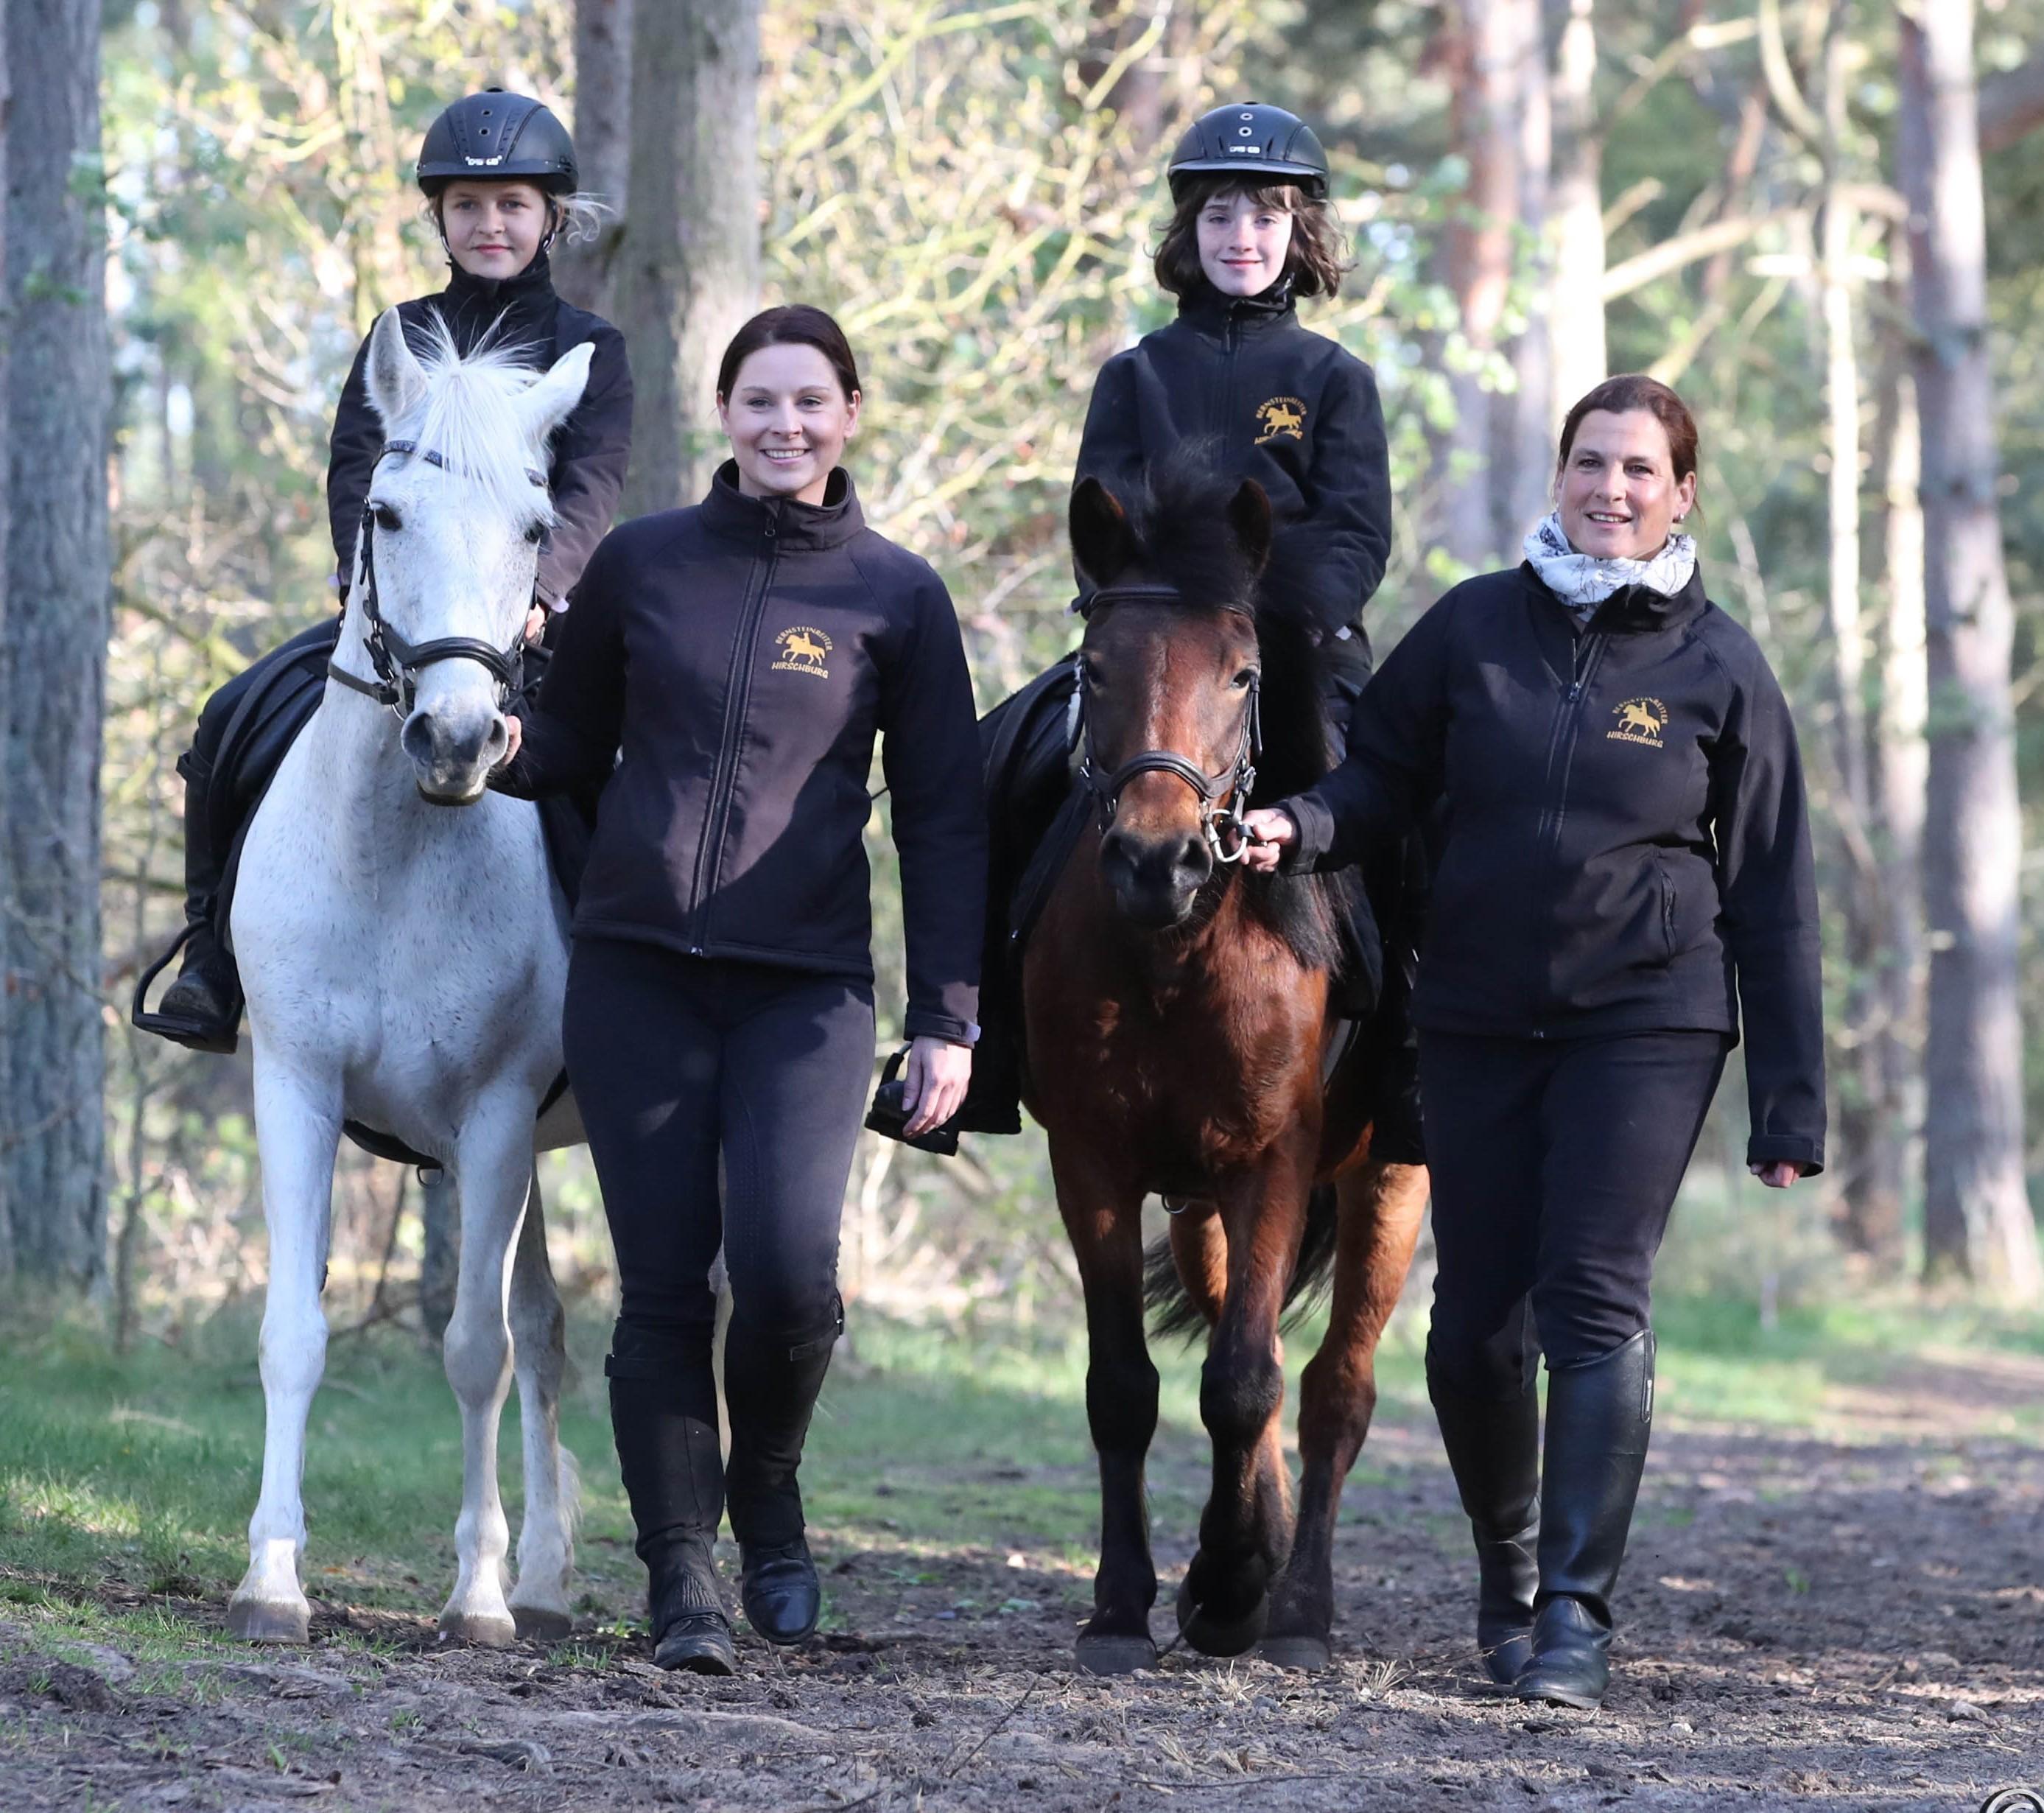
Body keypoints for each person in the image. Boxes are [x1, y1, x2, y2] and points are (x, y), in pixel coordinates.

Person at [1239, 374, 1825, 1711]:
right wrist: (1298, 826)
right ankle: (1508, 1574)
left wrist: (1789, 1102)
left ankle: (1572, 1616)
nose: (1610, 488)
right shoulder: (1472, 630)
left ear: (1682, 493)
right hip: (1481, 1019)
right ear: (1556, 477)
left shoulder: (1719, 663)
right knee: (1468, 1339)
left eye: (1638, 469)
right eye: (1589, 464)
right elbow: (1377, 774)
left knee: (1594, 1305)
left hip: (1650, 1020)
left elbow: (1776, 887)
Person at [491, 306, 986, 1674]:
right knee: (661, 1289)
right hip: (639, 974)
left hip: (806, 990)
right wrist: (502, 741)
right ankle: (681, 1579)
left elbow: (946, 817)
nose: (785, 426)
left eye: (809, 403)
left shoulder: (898, 595)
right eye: (761, 402)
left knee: (784, 1280)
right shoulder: (644, 564)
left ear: (850, 414)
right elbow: (575, 740)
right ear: (725, 413)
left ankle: (768, 1488)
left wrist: (950, 1016)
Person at [967, 102, 1422, 1157]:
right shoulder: (1136, 374)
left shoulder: (1333, 381)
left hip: (1294, 657)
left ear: (1298, 234)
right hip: (1143, 652)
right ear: (1189, 232)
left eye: (1266, 214)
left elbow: (1358, 534)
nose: (1243, 236)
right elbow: (1102, 514)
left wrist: (1273, 619)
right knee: (994, 768)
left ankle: (1407, 1065)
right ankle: (983, 1049)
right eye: (1221, 213)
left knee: (1412, 804)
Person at [144, 88, 633, 1051]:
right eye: (467, 207)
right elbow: (353, 465)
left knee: (622, 768)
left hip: (530, 627)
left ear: (553, 219)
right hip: (399, 617)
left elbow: (594, 484)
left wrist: (540, 596)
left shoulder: (590, 350)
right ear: (440, 220)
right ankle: (213, 957)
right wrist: (353, 573)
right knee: (231, 715)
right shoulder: (398, 335)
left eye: (513, 207)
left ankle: (621, 981)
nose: (490, 224)